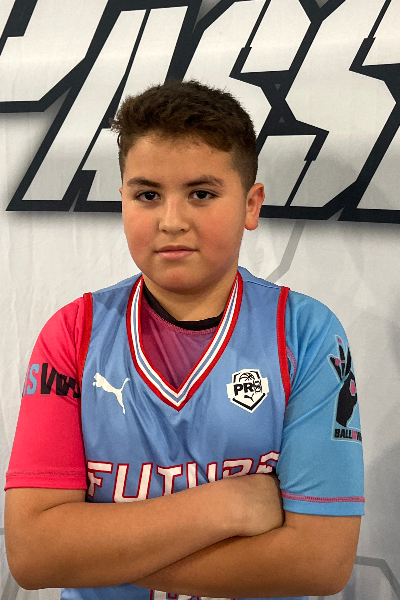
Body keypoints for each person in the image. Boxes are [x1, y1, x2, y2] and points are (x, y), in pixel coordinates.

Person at [4, 80, 364, 600]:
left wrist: (92, 552)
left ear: (251, 205)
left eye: (201, 194)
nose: (171, 221)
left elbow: (319, 563)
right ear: (122, 200)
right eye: (147, 195)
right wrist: (226, 506)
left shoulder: (305, 334)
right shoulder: (73, 333)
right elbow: (34, 556)